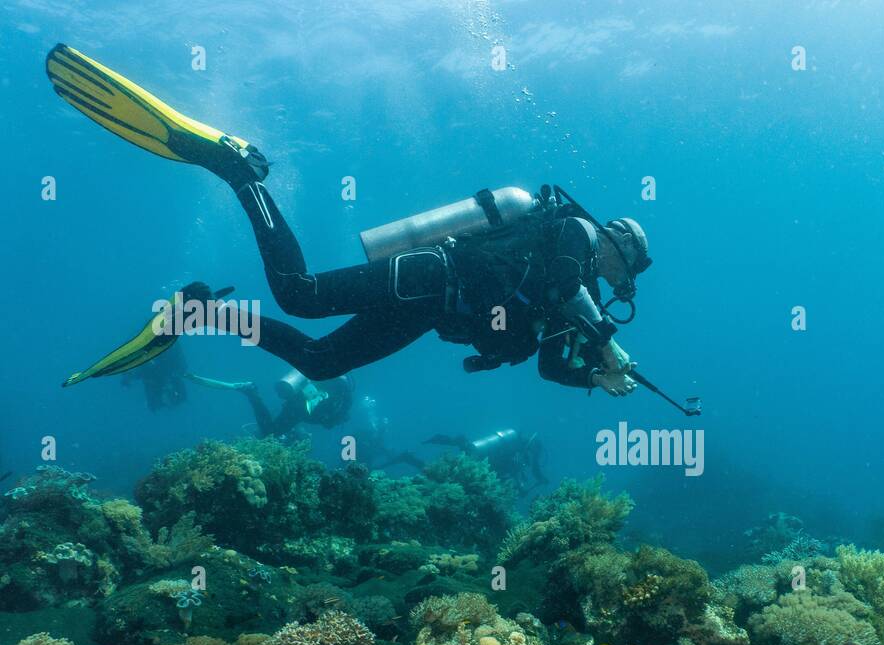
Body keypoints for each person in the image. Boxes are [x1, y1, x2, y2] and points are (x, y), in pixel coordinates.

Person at [47, 45, 652, 398]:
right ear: (617, 242)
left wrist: (595, 378)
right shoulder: (575, 232)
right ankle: (237, 171)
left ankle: (203, 310)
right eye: (630, 263)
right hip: (425, 277)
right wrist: (609, 343)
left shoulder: (577, 297)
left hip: (428, 308)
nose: (622, 276)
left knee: (322, 363)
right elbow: (565, 285)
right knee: (299, 294)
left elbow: (549, 364)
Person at [187, 369, 354, 440]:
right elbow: (328, 421)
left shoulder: (341, 387)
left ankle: (251, 392)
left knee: (269, 432)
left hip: (296, 404)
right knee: (269, 433)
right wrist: (334, 419)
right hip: (300, 406)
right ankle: (251, 393)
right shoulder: (345, 394)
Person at [426, 429, 547, 491]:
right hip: (484, 462)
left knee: (452, 472)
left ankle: (456, 442)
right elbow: (511, 468)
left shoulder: (515, 444)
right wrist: (520, 486)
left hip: (482, 456)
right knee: (454, 477)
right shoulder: (517, 448)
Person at [122, 338, 188, 411]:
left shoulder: (155, 388)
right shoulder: (177, 368)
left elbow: (139, 372)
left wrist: (127, 376)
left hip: (154, 358)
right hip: (159, 351)